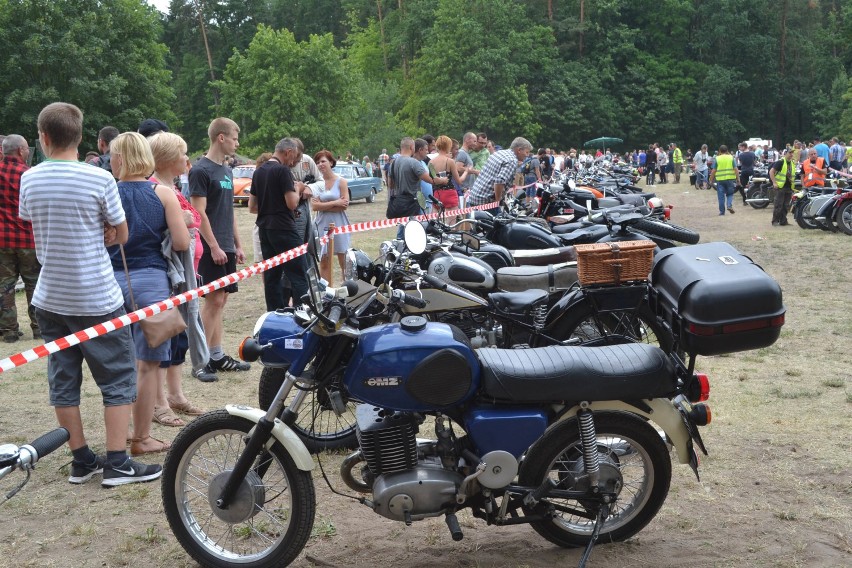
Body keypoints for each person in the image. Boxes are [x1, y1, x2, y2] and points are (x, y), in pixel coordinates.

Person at [19, 102, 161, 486]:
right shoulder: (99, 179)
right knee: (117, 379)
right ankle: (117, 462)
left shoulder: (29, 179)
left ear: (44, 138)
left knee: (63, 379)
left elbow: (32, 222)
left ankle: (81, 459)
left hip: (50, 296)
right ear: (80, 138)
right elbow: (122, 233)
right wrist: (106, 231)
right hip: (96, 294)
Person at [108, 132, 190, 454]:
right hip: (153, 284)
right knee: (148, 365)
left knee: (119, 363)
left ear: (119, 158)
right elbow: (181, 243)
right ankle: (142, 438)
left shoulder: (109, 192)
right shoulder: (163, 193)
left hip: (111, 284)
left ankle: (124, 431)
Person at [148, 131, 214, 410]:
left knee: (179, 338)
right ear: (167, 159)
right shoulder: (154, 187)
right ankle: (159, 401)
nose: (187, 159)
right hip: (170, 277)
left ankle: (176, 395)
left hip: (187, 274)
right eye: (182, 153)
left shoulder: (173, 187)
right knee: (166, 336)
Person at [189, 117, 250, 378]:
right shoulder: (200, 170)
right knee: (212, 300)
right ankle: (200, 361)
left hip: (226, 246)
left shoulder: (226, 170)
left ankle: (216, 355)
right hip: (210, 246)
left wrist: (237, 244)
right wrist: (213, 246)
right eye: (235, 138)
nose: (237, 143)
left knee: (221, 300)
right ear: (221, 138)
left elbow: (229, 212)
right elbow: (198, 213)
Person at [249, 138, 309, 311]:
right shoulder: (282, 170)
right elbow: (292, 203)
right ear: (288, 151)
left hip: (265, 229)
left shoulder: (258, 172)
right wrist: (299, 188)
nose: (293, 163)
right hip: (284, 228)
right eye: (294, 158)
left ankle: (274, 314)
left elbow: (252, 207)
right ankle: (302, 313)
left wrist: (271, 206)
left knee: (272, 277)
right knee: (299, 275)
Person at [0, 134, 40, 343]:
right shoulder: (29, 175)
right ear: (20, 151)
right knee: (34, 285)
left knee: (4, 286)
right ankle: (39, 328)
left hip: (2, 241)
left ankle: (9, 331)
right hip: (28, 240)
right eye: (25, 149)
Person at [386, 137, 444, 237]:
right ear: (412, 147)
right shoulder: (414, 163)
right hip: (412, 203)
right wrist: (443, 180)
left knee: (403, 228)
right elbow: (431, 180)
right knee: (415, 230)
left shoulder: (393, 163)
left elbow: (390, 185)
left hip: (399, 202)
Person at [311, 150, 350, 284]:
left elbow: (344, 205)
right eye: (317, 162)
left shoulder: (341, 182)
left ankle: (347, 291)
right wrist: (335, 202)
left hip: (339, 223)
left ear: (331, 162)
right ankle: (325, 293)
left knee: (344, 261)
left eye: (323, 161)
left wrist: (324, 204)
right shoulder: (317, 183)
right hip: (322, 224)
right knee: (324, 261)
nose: (320, 164)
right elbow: (314, 207)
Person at [467, 137, 533, 207]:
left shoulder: (500, 153)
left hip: (475, 196)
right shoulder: (512, 160)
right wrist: (497, 202)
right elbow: (499, 181)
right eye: (527, 152)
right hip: (486, 201)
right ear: (519, 150)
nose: (527, 155)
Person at [429, 135, 467, 210]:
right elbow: (459, 181)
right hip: (450, 194)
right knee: (451, 221)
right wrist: (466, 172)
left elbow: (432, 180)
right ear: (448, 146)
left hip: (437, 194)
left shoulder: (431, 162)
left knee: (438, 220)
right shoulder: (450, 161)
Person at [709, 145, 739, 216]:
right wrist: (738, 179)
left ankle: (722, 212)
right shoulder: (731, 157)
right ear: (727, 150)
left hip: (720, 180)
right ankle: (729, 205)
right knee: (730, 193)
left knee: (721, 196)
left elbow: (714, 170)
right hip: (730, 179)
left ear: (719, 151)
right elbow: (736, 169)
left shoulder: (717, 158)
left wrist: (711, 180)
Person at [769, 150, 796, 226]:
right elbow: (771, 172)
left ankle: (783, 221)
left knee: (786, 205)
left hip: (789, 187)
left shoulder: (792, 163)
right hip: (780, 187)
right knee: (778, 205)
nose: (791, 154)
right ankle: (775, 221)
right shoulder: (780, 162)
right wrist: (774, 182)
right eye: (790, 153)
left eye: (792, 153)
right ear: (785, 154)